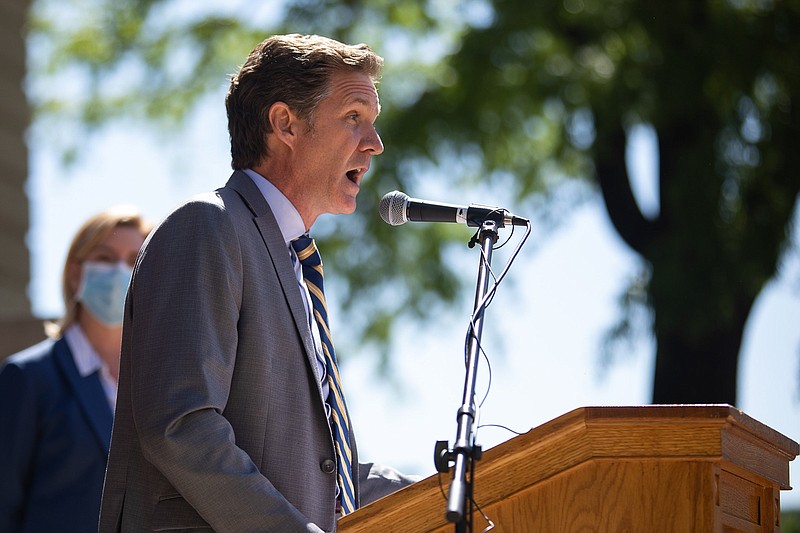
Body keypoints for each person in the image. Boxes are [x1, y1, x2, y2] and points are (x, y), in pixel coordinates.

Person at [99, 34, 417, 533]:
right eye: (354, 117)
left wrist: (466, 484)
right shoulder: (209, 226)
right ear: (285, 123)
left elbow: (317, 474)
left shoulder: (294, 263)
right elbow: (180, 428)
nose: (374, 142)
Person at [0, 207, 151, 533]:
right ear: (74, 272)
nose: (119, 271)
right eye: (105, 257)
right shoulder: (27, 378)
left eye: (133, 261)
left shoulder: (156, 381)